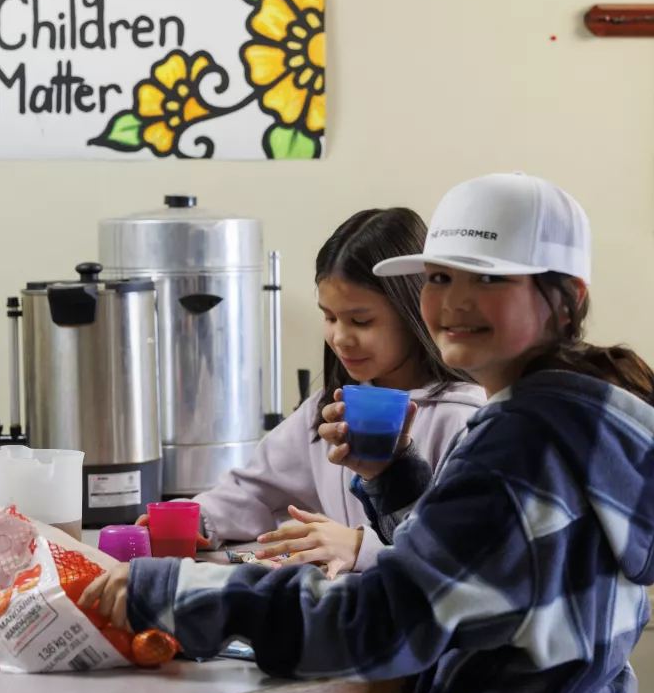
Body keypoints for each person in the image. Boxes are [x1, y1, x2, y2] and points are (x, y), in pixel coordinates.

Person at [84, 172, 654, 693]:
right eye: (439, 276)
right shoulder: (577, 423)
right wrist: (393, 478)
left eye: (489, 277)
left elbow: (380, 624)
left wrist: (171, 590)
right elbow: (471, 577)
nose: (456, 301)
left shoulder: (518, 443)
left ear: (568, 301)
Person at [140, 207, 484, 578]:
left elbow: (456, 561)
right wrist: (200, 520)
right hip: (339, 608)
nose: (340, 337)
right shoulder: (329, 408)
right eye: (330, 317)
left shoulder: (464, 418)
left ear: (416, 310)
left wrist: (358, 547)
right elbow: (255, 488)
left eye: (361, 320)